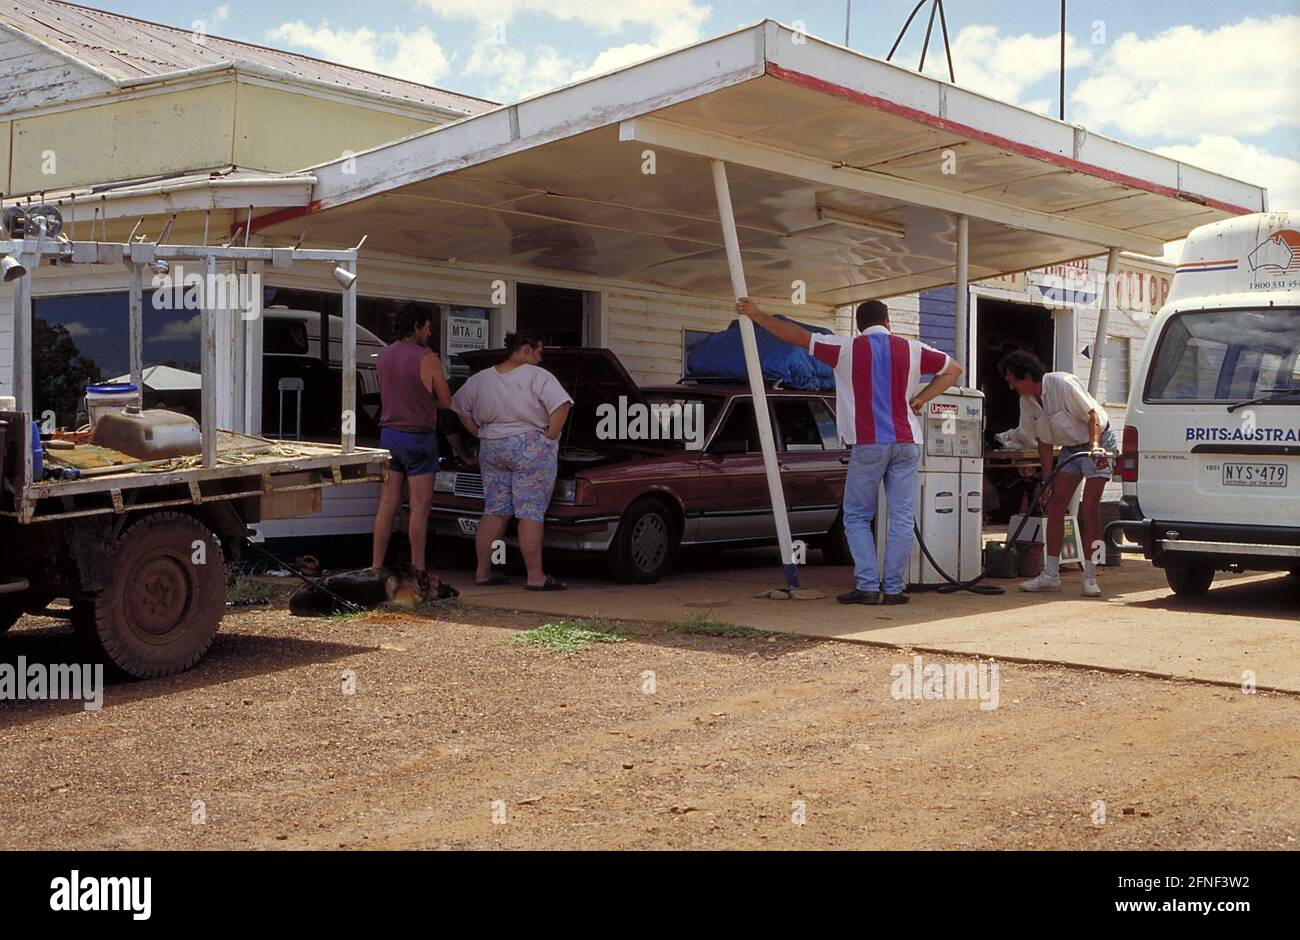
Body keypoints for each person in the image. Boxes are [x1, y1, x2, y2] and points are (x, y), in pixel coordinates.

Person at [735, 298, 963, 604]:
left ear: (859, 325)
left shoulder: (844, 348)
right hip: (908, 442)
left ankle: (868, 586)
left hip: (868, 443)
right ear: (887, 322)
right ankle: (894, 589)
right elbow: (954, 370)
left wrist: (758, 314)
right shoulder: (913, 349)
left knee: (856, 516)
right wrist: (921, 399)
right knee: (901, 517)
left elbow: (797, 336)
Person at [452, 333, 574, 591]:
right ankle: (535, 577)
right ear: (527, 350)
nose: (541, 359)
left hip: (492, 445)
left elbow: (459, 406)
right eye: (539, 353)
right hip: (529, 445)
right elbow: (561, 406)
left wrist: (477, 432)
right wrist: (550, 438)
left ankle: (483, 572)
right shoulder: (538, 376)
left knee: (495, 510)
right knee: (529, 511)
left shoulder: (481, 378)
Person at [999, 349, 1115, 598]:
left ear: (1027, 376)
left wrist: (1095, 446)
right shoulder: (1027, 401)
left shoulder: (1062, 383)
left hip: (1097, 442)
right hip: (1069, 449)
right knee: (1054, 506)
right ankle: (1050, 575)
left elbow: (1092, 414)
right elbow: (1043, 440)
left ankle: (1091, 575)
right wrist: (1047, 480)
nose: (1011, 386)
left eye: (1013, 380)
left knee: (1090, 510)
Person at [372, 304, 454, 593]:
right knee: (419, 507)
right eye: (428, 327)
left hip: (389, 435)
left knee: (387, 504)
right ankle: (418, 567)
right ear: (417, 325)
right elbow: (445, 401)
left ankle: (376, 566)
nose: (430, 333)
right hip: (419, 437)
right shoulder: (427, 358)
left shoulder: (384, 355)